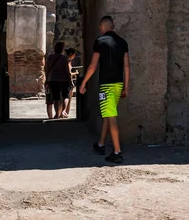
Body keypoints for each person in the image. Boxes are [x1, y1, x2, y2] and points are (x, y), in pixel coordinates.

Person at [80, 15, 130, 164]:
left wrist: (84, 82)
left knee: (111, 118)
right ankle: (100, 144)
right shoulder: (122, 42)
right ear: (113, 26)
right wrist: (126, 87)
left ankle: (117, 152)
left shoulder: (99, 41)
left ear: (101, 27)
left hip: (105, 86)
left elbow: (93, 66)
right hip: (118, 85)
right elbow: (127, 67)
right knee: (109, 115)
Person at [45, 41, 71, 119]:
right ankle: (63, 111)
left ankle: (57, 114)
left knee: (56, 97)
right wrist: (70, 80)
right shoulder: (64, 58)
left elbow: (47, 69)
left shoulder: (50, 57)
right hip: (64, 79)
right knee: (65, 96)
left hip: (52, 79)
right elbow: (67, 70)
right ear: (62, 49)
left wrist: (47, 79)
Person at [62, 48, 77, 118]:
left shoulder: (65, 61)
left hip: (65, 81)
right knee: (68, 97)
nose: (74, 56)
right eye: (74, 55)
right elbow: (69, 73)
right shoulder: (68, 61)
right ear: (71, 54)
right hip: (68, 81)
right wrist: (75, 73)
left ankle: (65, 112)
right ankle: (65, 112)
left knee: (68, 97)